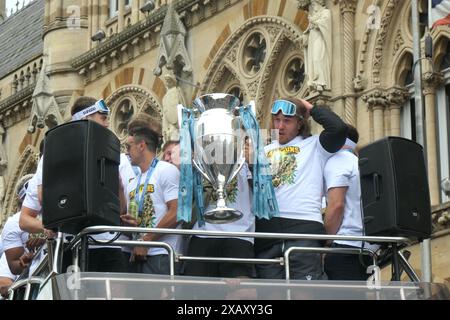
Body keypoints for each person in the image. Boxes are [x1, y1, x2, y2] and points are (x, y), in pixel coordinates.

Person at [19, 96, 130, 273]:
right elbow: (40, 200)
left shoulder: (118, 156)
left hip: (108, 244)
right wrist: (50, 226)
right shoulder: (51, 154)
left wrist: (119, 185)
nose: (107, 124)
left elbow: (122, 211)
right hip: (70, 246)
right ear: (87, 118)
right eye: (103, 117)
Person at [255, 98, 347, 284]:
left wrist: (311, 108)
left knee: (304, 293)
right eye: (276, 120)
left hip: (303, 228)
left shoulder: (315, 146)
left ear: (300, 123)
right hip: (267, 231)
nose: (280, 126)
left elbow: (338, 129)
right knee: (271, 295)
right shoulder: (262, 151)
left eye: (287, 121)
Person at [120, 114, 182, 275]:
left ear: (141, 145)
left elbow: (177, 212)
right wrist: (128, 224)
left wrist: (147, 241)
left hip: (161, 253)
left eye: (129, 147)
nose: (126, 153)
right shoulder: (132, 182)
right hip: (136, 254)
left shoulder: (166, 170)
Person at [323, 125, 379, 280]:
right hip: (366, 248)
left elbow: (336, 206)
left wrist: (325, 243)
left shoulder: (338, 161)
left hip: (344, 245)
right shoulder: (358, 162)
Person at [301, 0, 332, 92]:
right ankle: (315, 81)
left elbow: (325, 24)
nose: (313, 7)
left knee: (317, 59)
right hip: (312, 41)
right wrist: (303, 37)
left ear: (319, 3)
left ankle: (321, 81)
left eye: (314, 5)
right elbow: (308, 31)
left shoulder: (326, 12)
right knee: (313, 60)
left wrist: (314, 21)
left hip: (320, 39)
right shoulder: (313, 17)